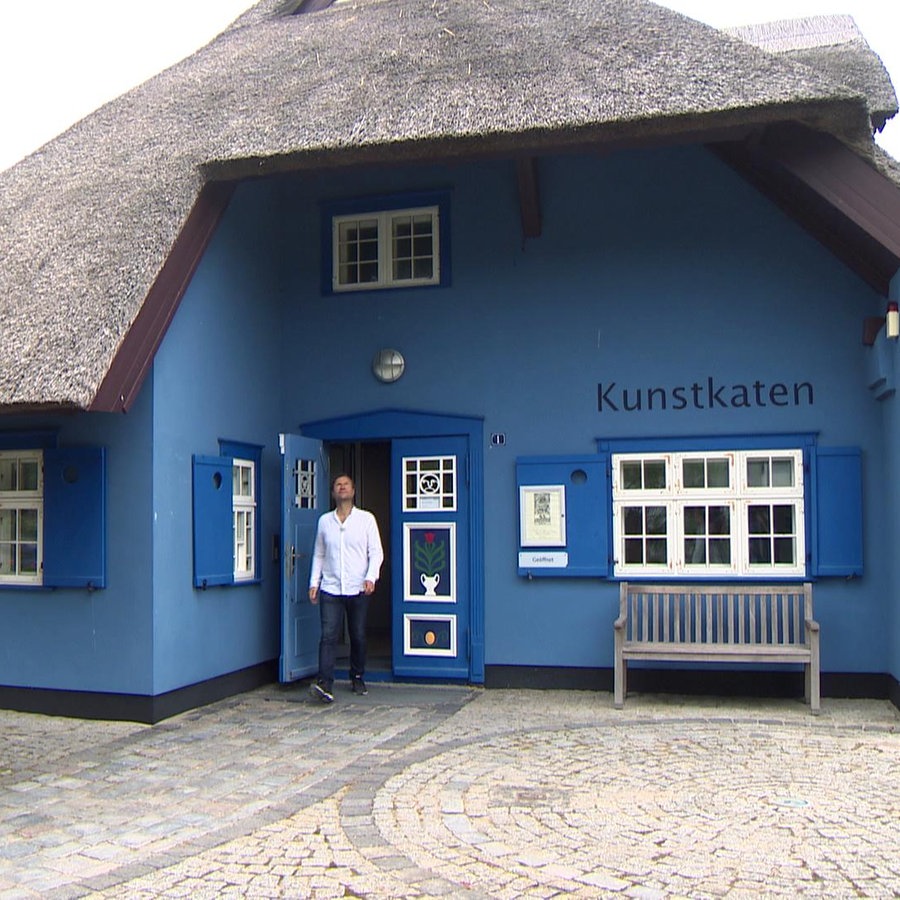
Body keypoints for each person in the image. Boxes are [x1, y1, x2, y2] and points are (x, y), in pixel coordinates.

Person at [308, 473, 384, 703]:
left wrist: (371, 577)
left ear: (353, 491)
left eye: (346, 484)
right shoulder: (325, 522)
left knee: (358, 635)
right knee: (328, 636)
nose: (342, 488)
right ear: (333, 493)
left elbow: (376, 552)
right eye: (338, 485)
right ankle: (325, 683)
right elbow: (319, 553)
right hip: (331, 587)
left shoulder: (366, 520)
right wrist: (314, 582)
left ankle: (357, 676)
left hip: (357, 587)